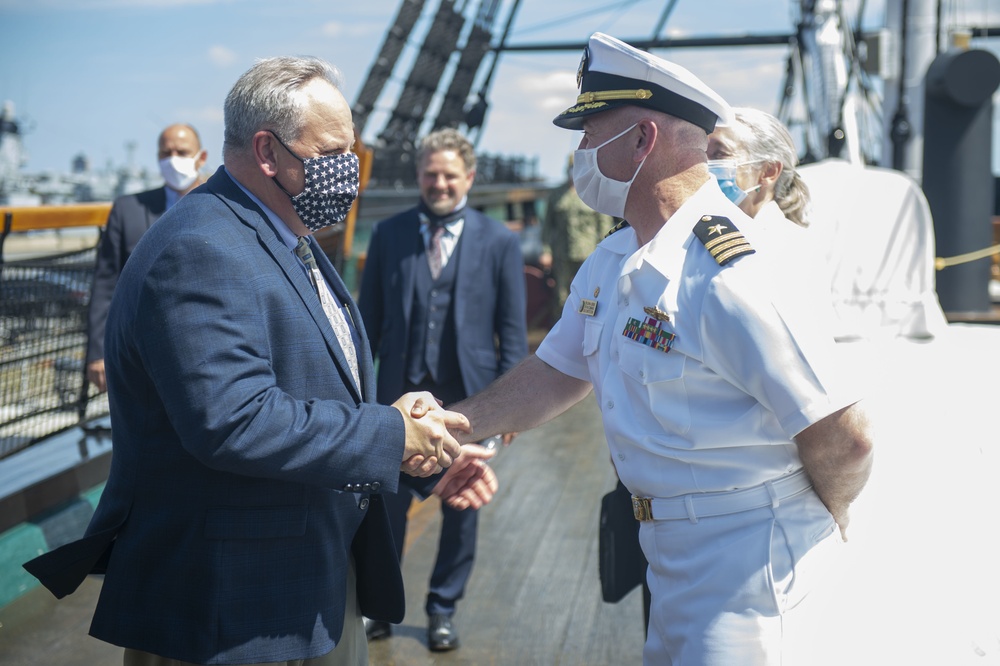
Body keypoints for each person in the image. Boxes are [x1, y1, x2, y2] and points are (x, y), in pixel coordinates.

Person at [23, 55, 497, 666]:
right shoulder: (201, 248)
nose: (348, 172)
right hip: (234, 609)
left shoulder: (282, 234)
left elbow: (315, 388)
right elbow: (234, 420)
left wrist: (410, 452)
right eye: (333, 152)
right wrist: (390, 432)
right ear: (269, 152)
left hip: (306, 587)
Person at [437, 33, 875, 665]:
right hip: (667, 557)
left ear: (642, 140)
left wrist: (819, 518)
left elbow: (847, 436)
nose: (581, 148)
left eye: (591, 130)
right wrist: (454, 425)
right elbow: (556, 373)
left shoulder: (733, 273)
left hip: (750, 567)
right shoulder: (614, 259)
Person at [357, 127, 528, 651]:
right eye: (430, 174)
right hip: (396, 405)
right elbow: (366, 325)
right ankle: (379, 608)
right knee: (384, 511)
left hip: (466, 402)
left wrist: (511, 411)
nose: (439, 184)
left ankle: (442, 609)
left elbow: (513, 331)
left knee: (460, 509)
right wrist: (364, 405)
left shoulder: (499, 241)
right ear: (419, 177)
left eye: (449, 175)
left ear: (469, 178)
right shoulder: (388, 236)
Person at [85, 123, 207, 392]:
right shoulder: (127, 209)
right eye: (166, 153)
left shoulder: (221, 205)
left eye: (183, 152)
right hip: (140, 354)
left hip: (207, 348)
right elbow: (106, 284)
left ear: (202, 157)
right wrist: (97, 351)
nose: (173, 160)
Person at [706, 106, 812, 252]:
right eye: (701, 153)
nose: (703, 165)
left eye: (719, 154)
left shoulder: (793, 248)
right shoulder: (707, 237)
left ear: (769, 172)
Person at [542, 155, 614, 312]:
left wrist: (604, 252)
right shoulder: (556, 195)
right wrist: (546, 251)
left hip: (588, 254)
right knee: (561, 296)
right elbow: (548, 225)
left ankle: (586, 331)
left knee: (589, 295)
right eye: (570, 168)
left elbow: (604, 225)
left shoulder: (593, 192)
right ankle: (563, 331)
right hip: (562, 253)